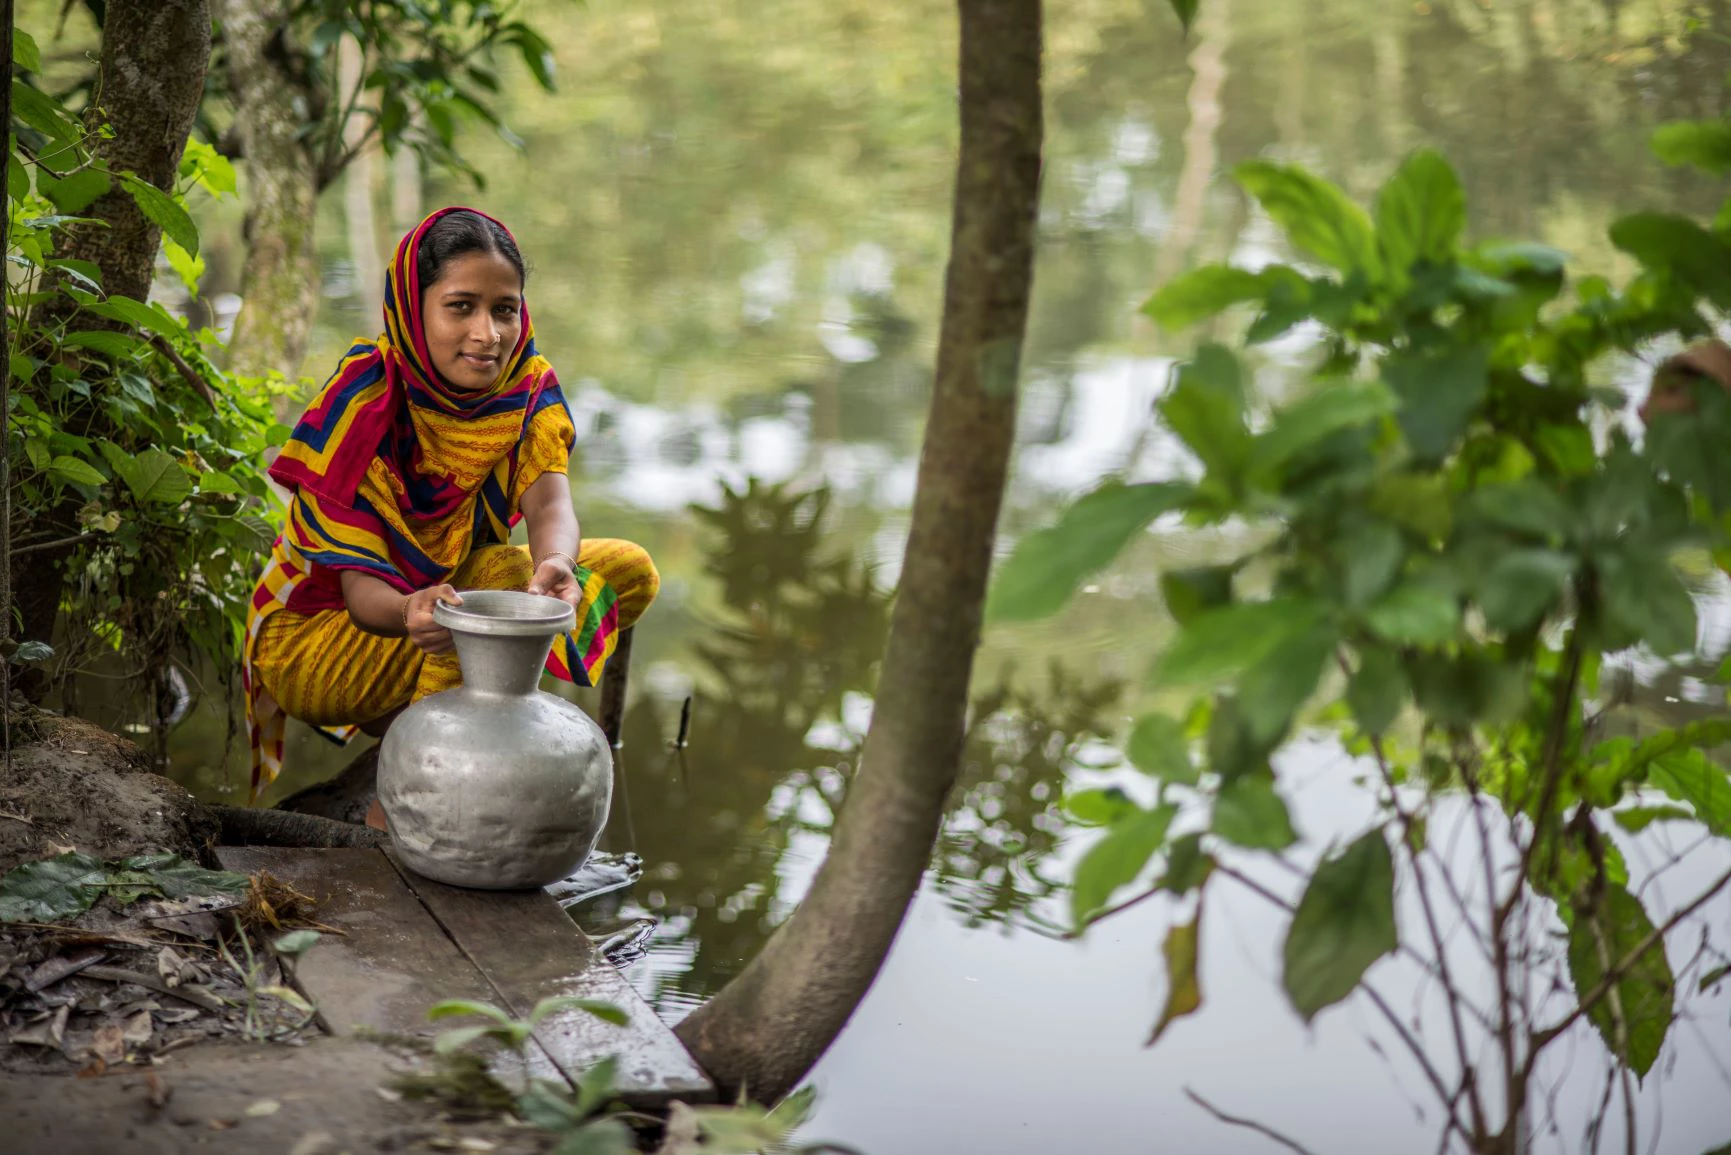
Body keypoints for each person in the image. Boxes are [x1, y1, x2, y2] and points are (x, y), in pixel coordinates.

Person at [242, 207, 658, 800]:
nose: (488, 334)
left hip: (443, 603)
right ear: (415, 308)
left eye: (504, 309)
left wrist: (559, 564)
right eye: (461, 306)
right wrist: (416, 607)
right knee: (500, 577)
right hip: (321, 639)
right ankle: (413, 794)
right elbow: (362, 601)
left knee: (629, 570)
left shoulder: (526, 386)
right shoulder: (364, 401)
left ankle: (454, 705)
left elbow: (548, 508)